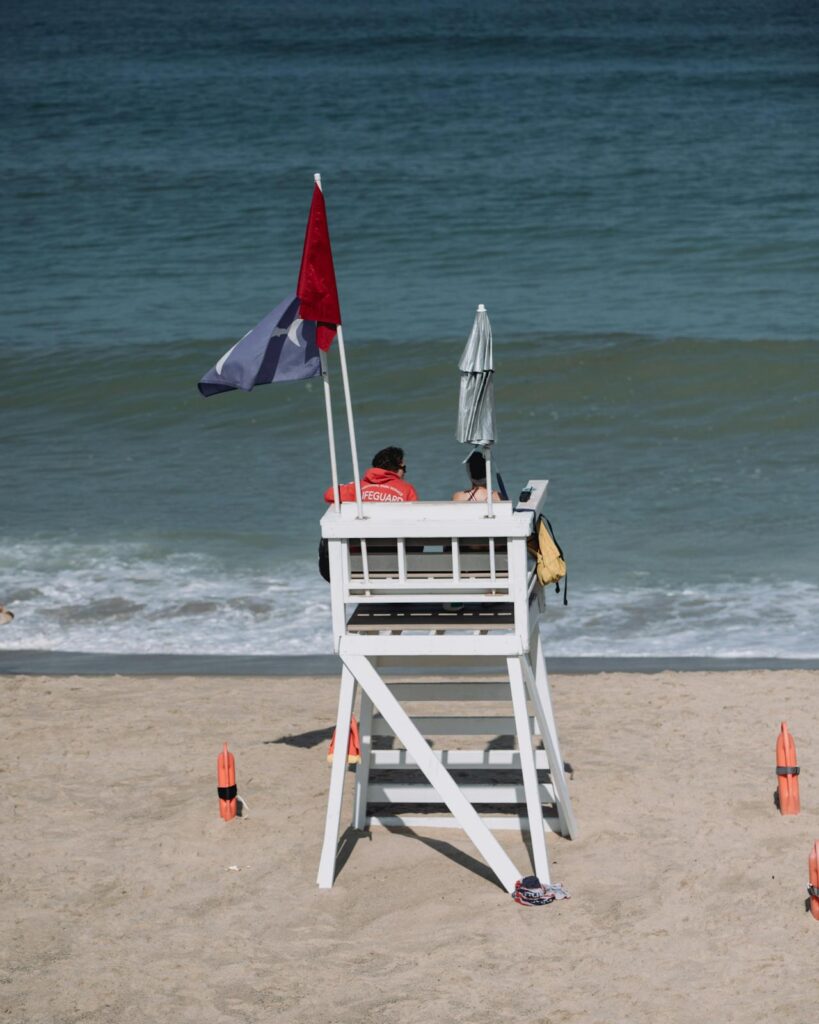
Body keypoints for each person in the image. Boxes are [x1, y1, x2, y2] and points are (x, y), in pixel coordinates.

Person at [324, 446, 419, 504]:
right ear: (398, 467)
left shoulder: (358, 487)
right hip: (394, 536)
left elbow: (329, 494)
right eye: (404, 469)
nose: (404, 474)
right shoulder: (407, 489)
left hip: (364, 536)